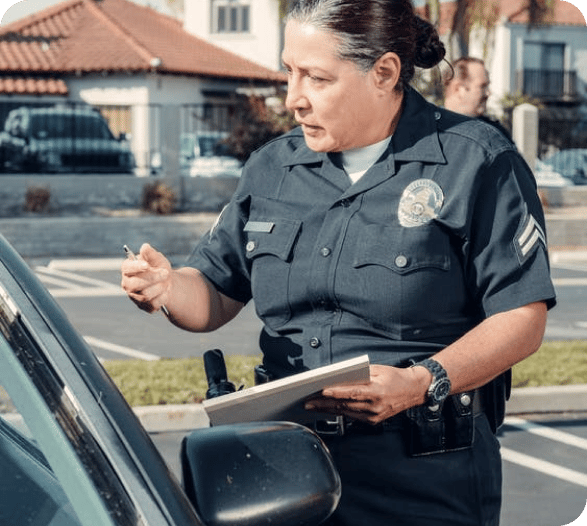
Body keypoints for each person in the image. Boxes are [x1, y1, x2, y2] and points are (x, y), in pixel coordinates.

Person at [121, 0, 556, 524]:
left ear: (385, 73)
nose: (292, 98)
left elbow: (521, 318)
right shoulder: (272, 168)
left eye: (316, 78)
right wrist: (168, 288)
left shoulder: (476, 161)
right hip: (284, 472)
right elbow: (213, 294)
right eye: (288, 71)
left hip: (423, 478)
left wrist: (422, 381)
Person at [443, 56, 512, 139]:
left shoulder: (495, 133)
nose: (488, 93)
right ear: (458, 89)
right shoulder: (429, 132)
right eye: (482, 86)